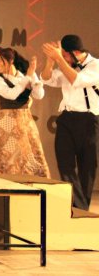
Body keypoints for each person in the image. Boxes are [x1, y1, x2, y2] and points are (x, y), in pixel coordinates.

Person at [42, 34, 99, 210]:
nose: (64, 59)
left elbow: (77, 80)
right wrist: (50, 62)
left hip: (89, 120)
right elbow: (46, 79)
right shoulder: (67, 65)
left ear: (76, 52)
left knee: (87, 166)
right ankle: (78, 205)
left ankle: (80, 208)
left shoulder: (96, 65)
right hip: (67, 119)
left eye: (65, 55)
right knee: (64, 163)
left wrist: (60, 59)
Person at [0, 48, 50, 177]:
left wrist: (33, 77)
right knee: (12, 158)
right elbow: (11, 94)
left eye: (0, 59)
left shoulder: (23, 76)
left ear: (11, 60)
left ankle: (34, 185)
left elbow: (39, 95)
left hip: (25, 120)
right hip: (7, 121)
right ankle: (11, 186)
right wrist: (28, 76)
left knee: (32, 153)